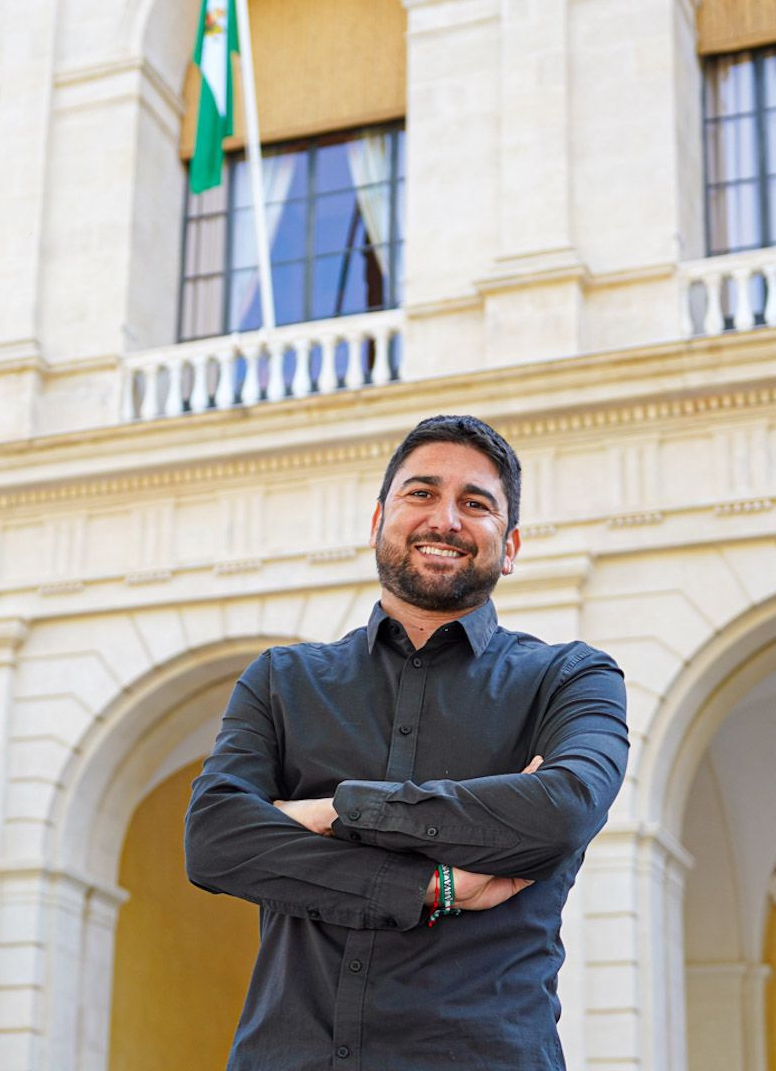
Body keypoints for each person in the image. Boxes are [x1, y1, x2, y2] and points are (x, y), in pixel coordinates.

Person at [183, 414, 630, 1070]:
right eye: (420, 493)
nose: (444, 519)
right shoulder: (283, 679)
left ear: (509, 547)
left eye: (475, 504)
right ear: (376, 523)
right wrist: (431, 884)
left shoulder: (570, 678)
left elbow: (561, 809)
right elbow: (215, 841)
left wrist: (332, 812)